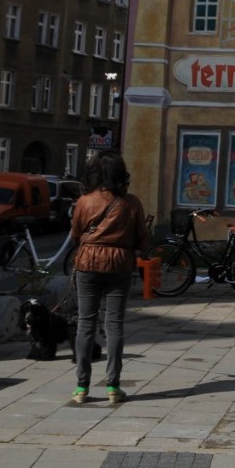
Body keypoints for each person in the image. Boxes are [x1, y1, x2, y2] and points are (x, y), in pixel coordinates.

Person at [69, 151, 149, 406]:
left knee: (85, 323)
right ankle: (113, 385)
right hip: (120, 264)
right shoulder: (131, 203)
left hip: (88, 263)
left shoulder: (85, 201)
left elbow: (75, 234)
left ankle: (82, 387)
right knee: (114, 324)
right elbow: (143, 239)